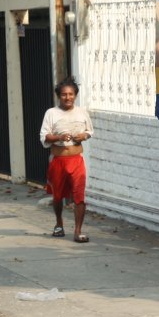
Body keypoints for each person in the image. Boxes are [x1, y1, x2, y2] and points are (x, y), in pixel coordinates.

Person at [38, 78, 94, 243]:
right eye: (64, 95)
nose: (67, 97)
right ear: (58, 96)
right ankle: (59, 223)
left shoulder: (82, 112)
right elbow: (44, 136)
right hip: (58, 161)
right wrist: (59, 137)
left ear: (75, 95)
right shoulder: (51, 113)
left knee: (79, 196)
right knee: (57, 196)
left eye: (70, 94)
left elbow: (90, 131)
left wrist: (84, 135)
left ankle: (78, 231)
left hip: (77, 160)